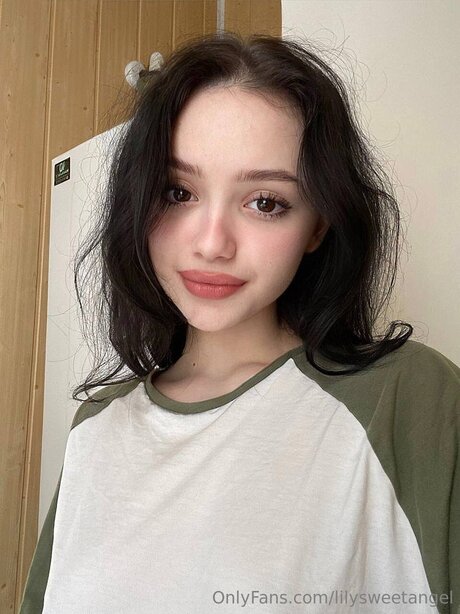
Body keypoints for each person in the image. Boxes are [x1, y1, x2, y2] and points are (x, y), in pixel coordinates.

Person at [20, 32, 459, 614]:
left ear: (318, 226)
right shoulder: (95, 427)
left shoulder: (405, 399)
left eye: (265, 202)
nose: (211, 244)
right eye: (178, 191)